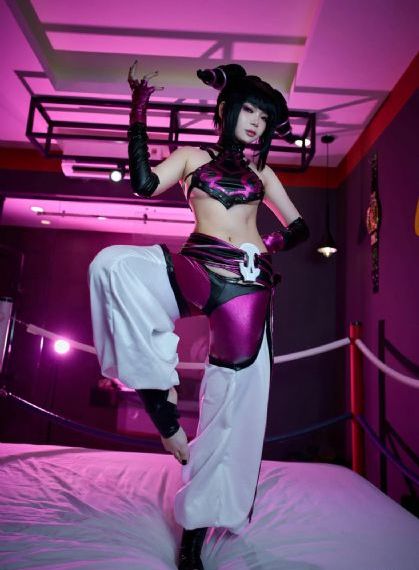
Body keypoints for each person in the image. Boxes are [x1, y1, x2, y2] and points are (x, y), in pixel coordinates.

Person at [89, 61, 309, 570]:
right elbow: (144, 184)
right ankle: (160, 404)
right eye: (249, 110)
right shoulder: (192, 156)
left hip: (247, 286)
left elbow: (299, 227)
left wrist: (270, 243)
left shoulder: (263, 172)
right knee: (113, 266)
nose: (256, 122)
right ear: (228, 110)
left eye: (264, 117)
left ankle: (195, 531)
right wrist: (138, 115)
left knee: (228, 410)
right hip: (198, 264)